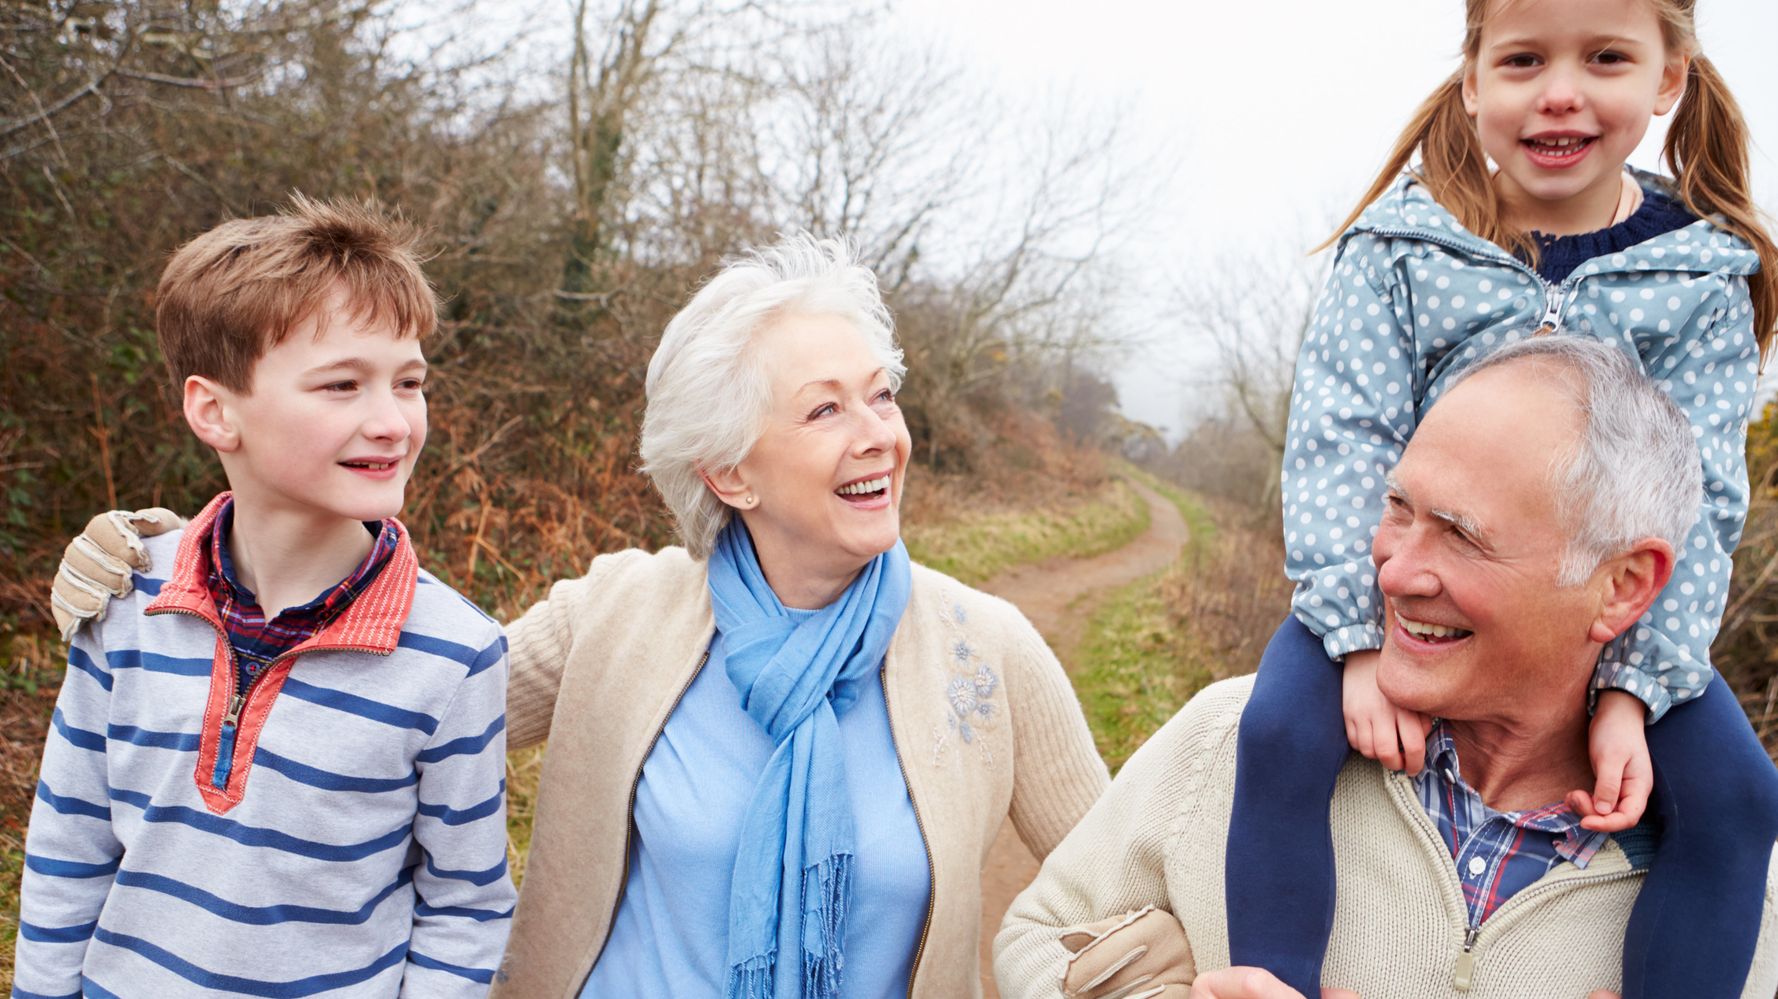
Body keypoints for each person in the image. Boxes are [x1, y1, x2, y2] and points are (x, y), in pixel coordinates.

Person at [49, 232, 1112, 998]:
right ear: (728, 470)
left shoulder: (986, 652)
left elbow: (1115, 892)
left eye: (881, 396)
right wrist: (165, 563)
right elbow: (364, 685)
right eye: (826, 408)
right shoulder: (621, 614)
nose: (878, 432)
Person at [1224, 1, 1778, 995]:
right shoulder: (1403, 247)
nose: (1558, 91)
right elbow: (1340, 442)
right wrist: (1352, 640)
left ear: (1666, 79)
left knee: (1735, 798)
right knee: (1275, 735)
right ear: (1473, 80)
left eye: (1604, 57)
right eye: (1523, 59)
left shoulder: (1698, 277)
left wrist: (1633, 690)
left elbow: (1697, 503)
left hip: (1603, 628)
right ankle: (1271, 982)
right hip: (1387, 594)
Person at [995, 337, 1778, 999]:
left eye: (1462, 534)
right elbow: (1034, 936)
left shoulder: (1748, 901)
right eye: (1399, 507)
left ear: (1622, 585)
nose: (1395, 571)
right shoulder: (1228, 737)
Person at [13, 197, 516, 998]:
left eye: (410, 382)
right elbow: (70, 840)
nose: (393, 421)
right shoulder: (122, 592)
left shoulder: (455, 652)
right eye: (342, 384)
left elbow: (465, 902)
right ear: (215, 411)